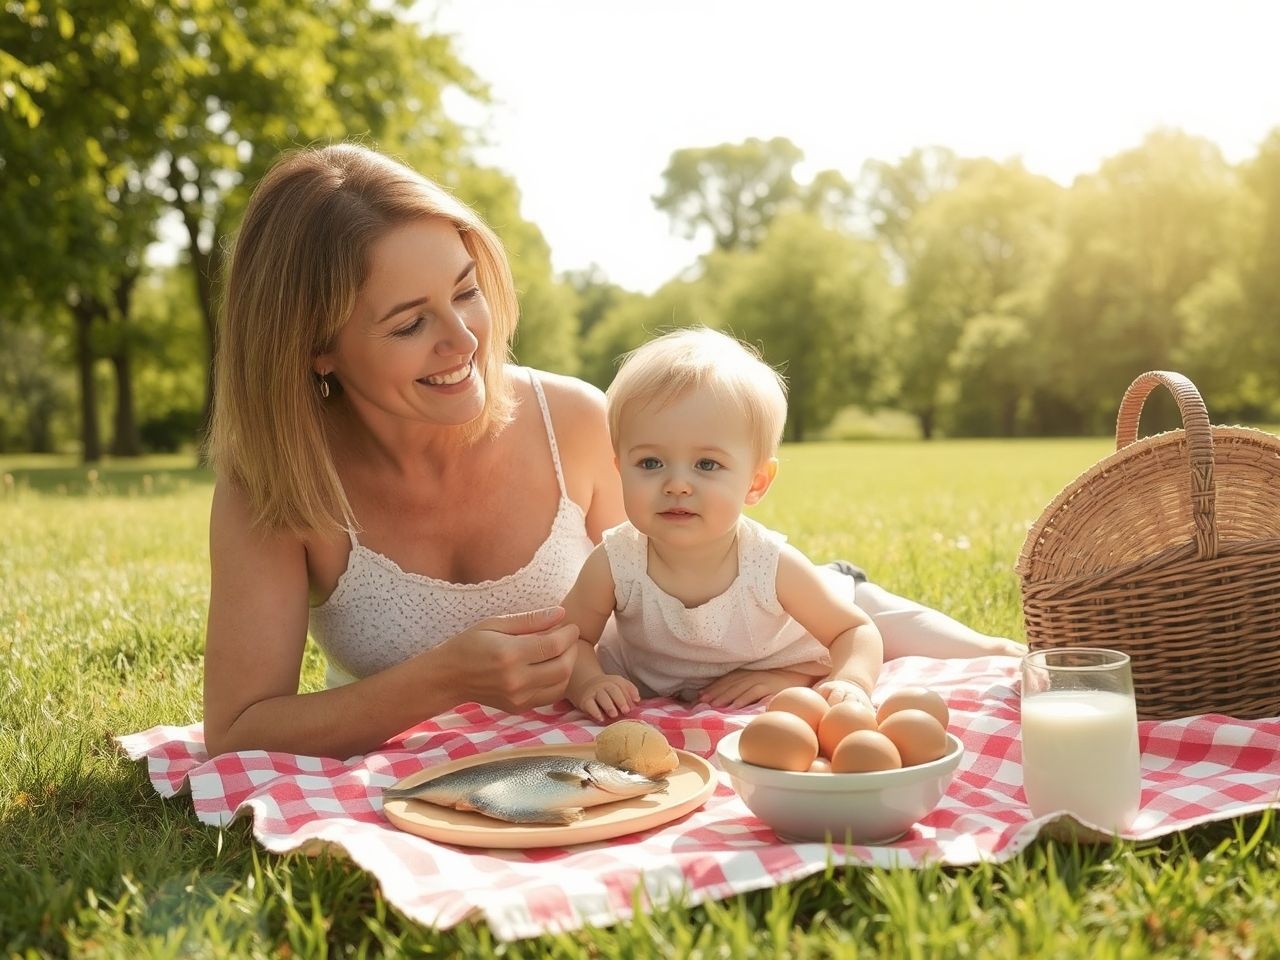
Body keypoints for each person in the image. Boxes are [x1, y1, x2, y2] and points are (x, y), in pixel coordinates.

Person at [203, 141, 1018, 761]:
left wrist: (802, 674)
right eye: (410, 322)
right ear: (316, 348)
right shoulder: (276, 488)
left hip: (765, 613)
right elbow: (237, 732)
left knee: (1008, 666)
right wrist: (443, 679)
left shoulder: (572, 420)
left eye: (465, 290)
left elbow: (703, 583)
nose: (463, 340)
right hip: (535, 750)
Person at [560, 328, 886, 723]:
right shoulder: (615, 563)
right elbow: (571, 639)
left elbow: (854, 631)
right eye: (650, 463)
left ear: (755, 482)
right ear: (620, 471)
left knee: (911, 629)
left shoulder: (770, 564)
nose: (677, 484)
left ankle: (796, 671)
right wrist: (589, 682)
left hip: (789, 639)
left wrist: (851, 682)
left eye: (706, 465)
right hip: (674, 683)